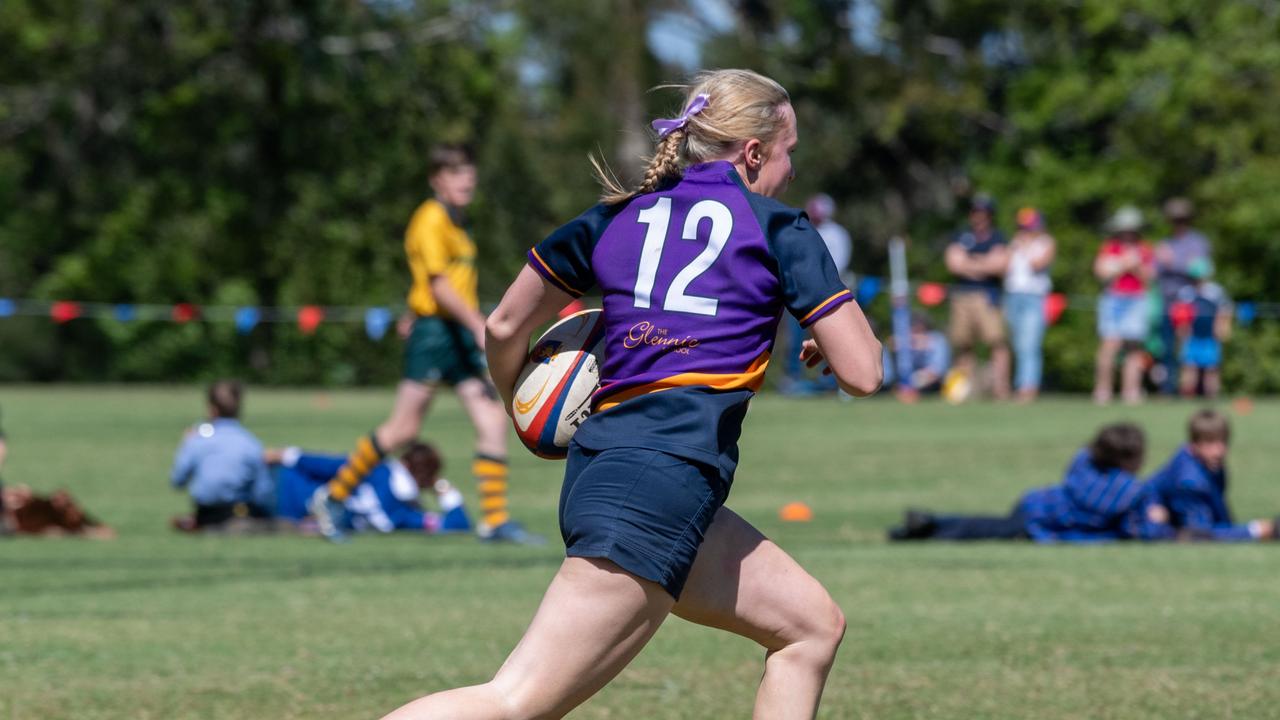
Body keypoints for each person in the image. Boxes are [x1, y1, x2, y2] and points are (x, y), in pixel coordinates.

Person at [380, 69, 883, 720]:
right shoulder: (779, 228)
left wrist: (521, 405)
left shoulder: (616, 218)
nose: (791, 171)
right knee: (513, 702)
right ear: (755, 152)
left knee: (810, 627)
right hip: (660, 485)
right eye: (790, 153)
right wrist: (841, 342)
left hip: (622, 474)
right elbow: (866, 373)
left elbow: (504, 325)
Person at [310, 144, 539, 545]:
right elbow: (438, 285)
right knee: (403, 428)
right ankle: (333, 497)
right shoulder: (430, 219)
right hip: (438, 334)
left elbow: (437, 283)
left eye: (469, 172)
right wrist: (474, 324)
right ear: (437, 180)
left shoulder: (458, 221)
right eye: (456, 173)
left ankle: (495, 521)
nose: (467, 180)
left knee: (490, 416)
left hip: (450, 328)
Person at [888, 423, 1163, 542]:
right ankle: (929, 529)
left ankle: (932, 524)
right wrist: (1158, 521)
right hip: (1042, 523)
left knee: (987, 525)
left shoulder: (1084, 462)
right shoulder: (1130, 491)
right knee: (985, 531)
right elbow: (1137, 531)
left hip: (1035, 501)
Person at [270, 441, 472, 535]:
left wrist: (277, 455)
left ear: (405, 461)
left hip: (285, 483)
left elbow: (321, 464)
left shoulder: (373, 467)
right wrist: (444, 489)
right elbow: (458, 523)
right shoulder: (404, 513)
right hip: (288, 508)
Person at [1144, 410, 1278, 542]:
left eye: (1223, 441)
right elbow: (1201, 534)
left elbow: (1219, 511)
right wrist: (1256, 531)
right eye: (1210, 442)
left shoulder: (1207, 461)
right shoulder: (1189, 481)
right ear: (1194, 444)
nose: (1219, 450)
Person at [169, 380, 275, 531]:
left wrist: (185, 444)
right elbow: (262, 492)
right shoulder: (250, 443)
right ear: (239, 408)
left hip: (205, 514)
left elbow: (177, 481)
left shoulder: (196, 439)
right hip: (240, 513)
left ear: (211, 409)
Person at [779, 192, 853, 395]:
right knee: (795, 340)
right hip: (799, 292)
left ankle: (830, 381)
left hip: (825, 295)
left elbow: (839, 264)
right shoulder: (802, 229)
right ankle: (792, 379)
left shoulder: (836, 234)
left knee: (829, 339)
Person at [944, 193, 1011, 400]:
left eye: (983, 212)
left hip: (987, 295)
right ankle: (965, 392)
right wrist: (984, 264)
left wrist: (969, 262)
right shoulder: (961, 235)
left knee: (996, 342)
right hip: (962, 296)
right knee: (963, 343)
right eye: (975, 211)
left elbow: (1000, 265)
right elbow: (953, 264)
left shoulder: (998, 237)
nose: (978, 216)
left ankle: (1002, 390)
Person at [1093, 206, 1155, 405]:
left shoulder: (1145, 249)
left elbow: (1151, 277)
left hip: (1136, 299)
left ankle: (1132, 391)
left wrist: (1136, 265)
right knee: (1110, 344)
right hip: (1114, 299)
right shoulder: (1110, 247)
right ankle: (1103, 390)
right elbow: (1101, 271)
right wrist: (1122, 264)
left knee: (1134, 347)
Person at [1155, 198, 1211, 394]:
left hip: (1189, 302)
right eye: (1175, 220)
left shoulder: (1198, 242)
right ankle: (1167, 388)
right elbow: (1154, 271)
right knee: (1167, 347)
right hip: (1167, 301)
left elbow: (1201, 270)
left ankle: (1193, 390)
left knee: (1189, 348)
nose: (1178, 223)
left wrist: (1173, 262)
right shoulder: (1165, 243)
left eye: (1182, 219)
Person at [1003, 207, 1055, 402]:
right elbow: (1004, 267)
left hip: (1034, 296)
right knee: (1017, 343)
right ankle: (1018, 384)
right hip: (1013, 294)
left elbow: (1037, 265)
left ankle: (1029, 386)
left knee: (1030, 343)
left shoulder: (1045, 243)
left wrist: (1024, 247)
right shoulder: (1014, 243)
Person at [1172, 259, 1231, 398]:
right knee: (1189, 366)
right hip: (1191, 335)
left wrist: (1222, 326)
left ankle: (1212, 395)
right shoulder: (1186, 292)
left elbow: (1225, 309)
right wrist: (1181, 328)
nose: (1197, 281)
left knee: (1212, 367)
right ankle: (1187, 395)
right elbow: (1180, 313)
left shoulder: (1215, 291)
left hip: (1210, 336)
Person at [883, 313, 950, 398]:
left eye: (919, 329)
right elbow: (889, 345)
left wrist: (921, 344)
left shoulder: (938, 340)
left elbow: (939, 369)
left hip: (932, 382)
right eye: (914, 328)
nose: (916, 332)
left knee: (919, 378)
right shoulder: (904, 339)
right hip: (905, 380)